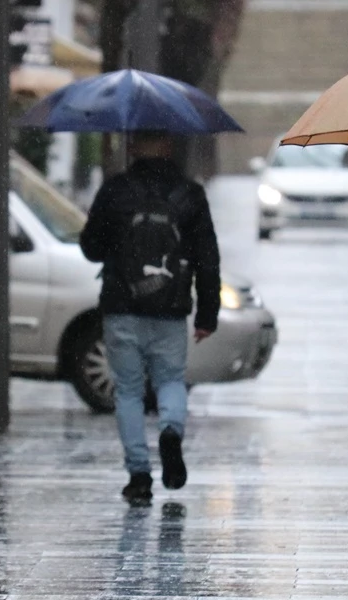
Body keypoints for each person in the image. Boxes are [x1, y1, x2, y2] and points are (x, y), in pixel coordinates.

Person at [79, 131, 221, 505]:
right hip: (170, 309)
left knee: (127, 390)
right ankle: (171, 431)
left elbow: (91, 248)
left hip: (121, 307)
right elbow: (208, 258)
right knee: (171, 380)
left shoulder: (115, 192)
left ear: (133, 147)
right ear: (170, 146)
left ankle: (139, 475)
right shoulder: (189, 195)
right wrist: (208, 313)